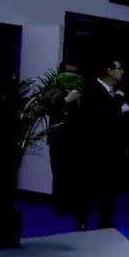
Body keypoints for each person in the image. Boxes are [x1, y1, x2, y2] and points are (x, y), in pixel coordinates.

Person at [73, 57, 129, 231]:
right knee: (88, 186)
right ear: (109, 71)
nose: (122, 72)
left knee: (109, 186)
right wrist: (117, 102)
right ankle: (82, 221)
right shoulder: (92, 90)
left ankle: (105, 220)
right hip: (94, 149)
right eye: (119, 69)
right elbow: (99, 116)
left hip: (112, 149)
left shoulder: (114, 91)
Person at [47, 61, 82, 214]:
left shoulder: (80, 90)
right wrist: (67, 100)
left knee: (74, 172)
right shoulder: (54, 89)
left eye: (75, 73)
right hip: (58, 138)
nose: (72, 76)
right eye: (69, 72)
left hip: (75, 138)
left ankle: (73, 204)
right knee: (59, 172)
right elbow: (50, 110)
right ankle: (60, 205)